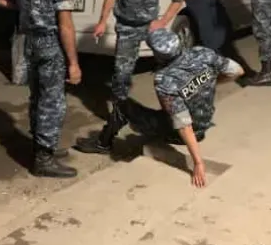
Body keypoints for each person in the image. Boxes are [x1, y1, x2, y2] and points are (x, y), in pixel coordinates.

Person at [74, 28, 244, 188]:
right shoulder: (203, 53)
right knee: (167, 109)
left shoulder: (165, 80)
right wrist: (209, 83)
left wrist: (198, 163)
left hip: (185, 132)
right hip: (204, 121)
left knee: (123, 105)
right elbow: (237, 71)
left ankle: (103, 143)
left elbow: (183, 125)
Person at [0, 0, 82, 178]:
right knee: (52, 100)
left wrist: (27, 9)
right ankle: (44, 158)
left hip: (28, 41)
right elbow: (65, 24)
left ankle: (42, 145)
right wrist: (74, 63)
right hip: (50, 43)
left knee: (37, 96)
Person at [92, 0, 186, 121]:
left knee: (171, 67)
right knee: (122, 73)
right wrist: (102, 22)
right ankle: (119, 113)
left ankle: (174, 111)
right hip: (127, 27)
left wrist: (162, 21)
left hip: (151, 27)